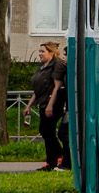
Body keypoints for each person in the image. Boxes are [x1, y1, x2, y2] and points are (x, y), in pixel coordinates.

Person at [25, 43, 68, 171]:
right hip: (42, 102)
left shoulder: (56, 65)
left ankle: (56, 157)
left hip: (52, 103)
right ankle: (52, 160)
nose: (40, 54)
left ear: (52, 53)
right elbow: (37, 89)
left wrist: (50, 105)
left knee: (46, 130)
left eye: (43, 51)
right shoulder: (43, 67)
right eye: (39, 51)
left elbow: (57, 86)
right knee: (46, 131)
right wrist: (29, 106)